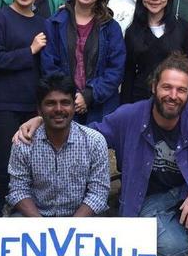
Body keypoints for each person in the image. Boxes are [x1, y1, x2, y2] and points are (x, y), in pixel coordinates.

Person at [19, 55, 188, 256]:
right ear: (154, 86)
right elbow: (87, 135)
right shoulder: (129, 116)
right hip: (145, 203)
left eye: (181, 90)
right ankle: (187, 232)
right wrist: (42, 121)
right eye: (167, 87)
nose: (173, 95)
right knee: (175, 251)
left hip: (187, 193)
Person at [0, 0, 48, 204]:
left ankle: (29, 212)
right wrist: (29, 50)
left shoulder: (43, 24)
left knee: (33, 164)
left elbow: (45, 67)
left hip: (31, 104)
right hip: (3, 103)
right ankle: (2, 213)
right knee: (6, 163)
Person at [7, 75, 110, 217]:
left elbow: (98, 192)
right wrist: (44, 228)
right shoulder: (24, 142)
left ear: (74, 106)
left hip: (80, 219)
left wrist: (67, 230)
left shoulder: (94, 141)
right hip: (36, 217)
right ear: (39, 109)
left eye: (65, 103)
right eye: (50, 103)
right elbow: (18, 190)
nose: (58, 109)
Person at [41, 0, 125, 125]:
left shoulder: (110, 27)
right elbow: (49, 65)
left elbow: (116, 69)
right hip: (64, 106)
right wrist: (70, 96)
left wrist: (89, 95)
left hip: (101, 108)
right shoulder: (54, 23)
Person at [121, 0, 188, 104]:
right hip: (140, 100)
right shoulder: (133, 32)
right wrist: (125, 108)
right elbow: (128, 74)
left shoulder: (183, 28)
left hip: (174, 101)